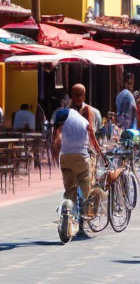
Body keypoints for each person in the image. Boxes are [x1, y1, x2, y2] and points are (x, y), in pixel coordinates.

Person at [53, 84, 103, 217]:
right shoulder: (67, 112)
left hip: (84, 152)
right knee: (75, 185)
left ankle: (82, 215)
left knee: (83, 183)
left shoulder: (90, 112)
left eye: (79, 94)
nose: (77, 97)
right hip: (76, 153)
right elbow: (58, 133)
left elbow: (93, 133)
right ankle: (76, 216)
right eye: (75, 94)